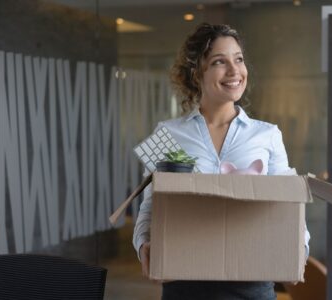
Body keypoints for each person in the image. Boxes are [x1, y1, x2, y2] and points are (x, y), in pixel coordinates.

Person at [133, 23, 310, 300]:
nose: (234, 71)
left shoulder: (267, 135)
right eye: (219, 61)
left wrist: (300, 248)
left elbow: (289, 204)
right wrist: (143, 243)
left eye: (238, 59)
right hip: (184, 282)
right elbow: (150, 205)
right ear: (196, 72)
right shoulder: (166, 135)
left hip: (251, 285)